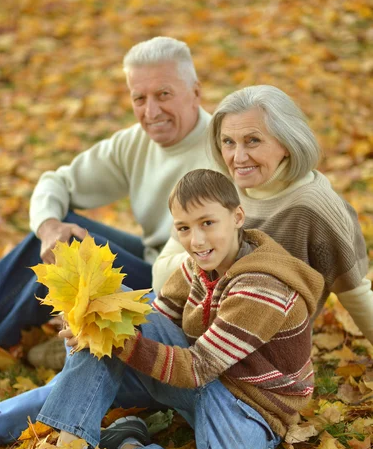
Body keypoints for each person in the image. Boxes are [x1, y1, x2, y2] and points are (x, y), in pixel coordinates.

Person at [32, 169, 324, 449]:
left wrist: (113, 338)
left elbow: (196, 368)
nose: (196, 240)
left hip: (252, 405)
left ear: (237, 217)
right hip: (203, 376)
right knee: (106, 307)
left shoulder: (261, 286)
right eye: (184, 228)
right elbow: (156, 319)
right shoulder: (198, 267)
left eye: (207, 223)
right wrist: (88, 321)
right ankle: (70, 445)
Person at [0, 36, 217, 369]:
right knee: (60, 231)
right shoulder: (134, 143)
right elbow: (55, 182)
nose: (151, 111)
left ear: (196, 92)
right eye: (139, 98)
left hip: (179, 293)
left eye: (164, 94)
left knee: (73, 245)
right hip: (151, 263)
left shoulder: (223, 147)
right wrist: (48, 228)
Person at [153, 85, 373, 345]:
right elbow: (159, 276)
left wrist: (222, 255)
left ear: (288, 144)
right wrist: (212, 252)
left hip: (240, 345)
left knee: (108, 320)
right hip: (185, 311)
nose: (238, 157)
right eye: (228, 142)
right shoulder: (222, 184)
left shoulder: (314, 207)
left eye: (253, 140)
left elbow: (356, 293)